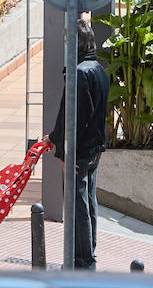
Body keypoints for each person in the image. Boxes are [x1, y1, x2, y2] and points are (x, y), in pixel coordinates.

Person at [44, 16, 109, 269]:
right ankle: (88, 251)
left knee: (77, 203)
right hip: (94, 147)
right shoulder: (98, 69)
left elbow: (71, 116)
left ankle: (82, 259)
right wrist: (53, 137)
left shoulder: (79, 74)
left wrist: (64, 151)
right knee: (88, 199)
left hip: (80, 151)